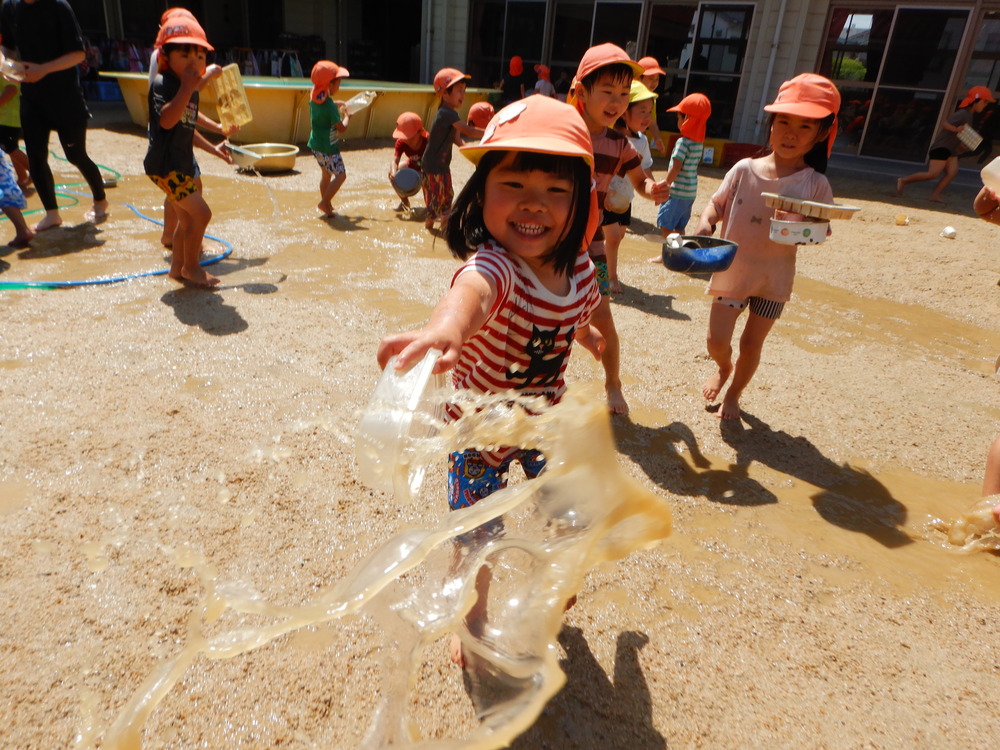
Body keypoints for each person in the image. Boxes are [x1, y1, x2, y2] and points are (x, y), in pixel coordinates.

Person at [376, 95, 603, 667]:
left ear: (581, 203)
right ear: (481, 192)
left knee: (572, 516)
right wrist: (446, 329)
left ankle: (556, 578)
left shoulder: (579, 272)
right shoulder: (494, 266)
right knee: (475, 537)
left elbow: (579, 315)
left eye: (556, 191)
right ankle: (473, 616)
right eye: (514, 185)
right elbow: (469, 296)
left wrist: (588, 338)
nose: (534, 205)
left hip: (542, 427)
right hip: (476, 437)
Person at [693, 73, 839, 420]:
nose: (790, 133)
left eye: (805, 127)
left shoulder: (815, 183)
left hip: (774, 280)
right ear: (770, 125)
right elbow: (717, 203)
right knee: (716, 341)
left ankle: (734, 396)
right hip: (733, 270)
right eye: (783, 121)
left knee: (751, 344)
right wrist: (705, 221)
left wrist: (800, 223)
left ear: (820, 135)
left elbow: (822, 231)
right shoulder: (744, 169)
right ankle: (723, 366)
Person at [569, 42, 670, 415]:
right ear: (581, 92)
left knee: (603, 314)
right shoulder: (561, 133)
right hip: (549, 242)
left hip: (592, 243)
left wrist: (652, 190)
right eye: (607, 92)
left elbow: (639, 182)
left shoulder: (619, 143)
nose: (616, 102)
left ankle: (613, 384)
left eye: (624, 94)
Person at [0, 0, 109, 231]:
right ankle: (52, 214)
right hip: (30, 95)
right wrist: (7, 65)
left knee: (75, 154)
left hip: (65, 96)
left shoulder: (59, 6)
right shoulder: (10, 8)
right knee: (36, 157)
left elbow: (78, 54)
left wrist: (44, 69)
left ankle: (100, 199)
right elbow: (7, 47)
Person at [143, 16, 226, 288]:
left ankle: (177, 269)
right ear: (165, 57)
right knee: (201, 215)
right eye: (185, 54)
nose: (195, 62)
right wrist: (189, 87)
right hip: (165, 167)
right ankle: (192, 267)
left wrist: (214, 148)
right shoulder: (162, 84)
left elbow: (187, 128)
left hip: (179, 164)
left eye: (200, 56)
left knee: (185, 219)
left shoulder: (187, 89)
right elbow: (166, 120)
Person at [603, 80, 659, 293]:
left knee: (619, 236)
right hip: (606, 198)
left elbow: (644, 171)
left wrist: (654, 189)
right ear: (624, 113)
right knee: (613, 239)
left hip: (625, 200)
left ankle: (599, 271)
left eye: (650, 112)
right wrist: (603, 191)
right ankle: (609, 279)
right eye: (642, 111)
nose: (648, 117)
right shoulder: (609, 137)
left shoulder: (642, 141)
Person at [896, 85, 995, 203]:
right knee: (932, 174)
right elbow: (945, 124)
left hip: (950, 149)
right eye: (985, 101)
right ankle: (903, 180)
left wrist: (960, 146)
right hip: (942, 147)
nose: (985, 105)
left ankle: (934, 195)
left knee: (952, 172)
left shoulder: (968, 115)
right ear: (975, 100)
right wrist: (956, 130)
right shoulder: (963, 113)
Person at [421, 67, 483, 234]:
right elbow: (467, 131)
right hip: (432, 167)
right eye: (459, 91)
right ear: (445, 94)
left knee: (447, 198)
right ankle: (428, 229)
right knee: (435, 204)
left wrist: (472, 153)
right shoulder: (446, 113)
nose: (462, 95)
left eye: (464, 91)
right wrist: (490, 132)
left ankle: (444, 230)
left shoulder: (451, 113)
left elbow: (457, 139)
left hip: (442, 167)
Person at [657, 93, 711, 237]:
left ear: (687, 119)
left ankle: (667, 254)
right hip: (690, 193)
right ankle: (678, 253)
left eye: (679, 118)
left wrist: (666, 184)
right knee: (680, 227)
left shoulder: (682, 142)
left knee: (667, 226)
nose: (678, 121)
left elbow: (676, 166)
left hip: (676, 192)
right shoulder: (699, 144)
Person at [308, 60, 350, 219]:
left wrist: (335, 103)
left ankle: (328, 205)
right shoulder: (330, 107)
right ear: (330, 85)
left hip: (316, 145)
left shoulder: (315, 96)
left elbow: (324, 102)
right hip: (329, 148)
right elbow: (342, 128)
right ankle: (324, 202)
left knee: (326, 175)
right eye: (338, 83)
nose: (339, 86)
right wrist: (348, 116)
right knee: (341, 175)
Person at [388, 111, 427, 214]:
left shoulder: (428, 141)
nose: (406, 140)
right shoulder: (401, 142)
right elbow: (395, 160)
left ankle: (431, 206)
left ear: (419, 132)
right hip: (412, 166)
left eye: (410, 136)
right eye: (404, 136)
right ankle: (405, 203)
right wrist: (394, 172)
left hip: (428, 170)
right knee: (391, 174)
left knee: (429, 180)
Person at [0, 75, 29, 188]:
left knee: (9, 147)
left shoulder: (5, 70)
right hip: (6, 118)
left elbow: (12, 90)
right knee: (11, 148)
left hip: (8, 119)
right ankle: (22, 177)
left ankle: (37, 174)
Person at [637, 56, 666, 153]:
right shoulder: (628, 94)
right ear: (639, 77)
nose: (654, 83)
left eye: (657, 79)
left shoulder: (652, 98)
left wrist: (657, 139)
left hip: (638, 141)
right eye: (650, 78)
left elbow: (652, 122)